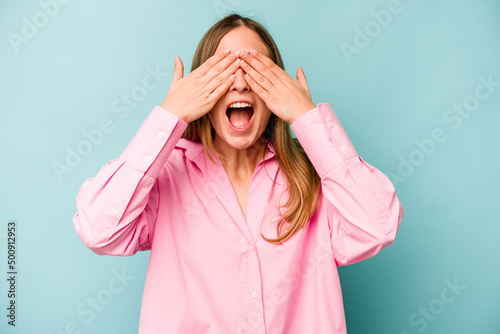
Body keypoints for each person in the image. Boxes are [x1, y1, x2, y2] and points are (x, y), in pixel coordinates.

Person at [73, 13, 404, 334]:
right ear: (201, 88)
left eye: (256, 70)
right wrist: (170, 116)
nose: (242, 83)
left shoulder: (315, 176)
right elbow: (99, 230)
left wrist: (307, 118)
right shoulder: (165, 176)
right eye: (226, 70)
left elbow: (378, 228)